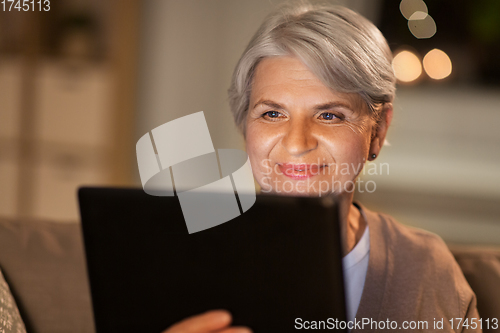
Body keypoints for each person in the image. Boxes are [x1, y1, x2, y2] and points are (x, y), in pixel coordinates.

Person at [163, 2, 481, 332]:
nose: (298, 143)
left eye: (330, 115)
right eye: (272, 114)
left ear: (378, 131)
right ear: (245, 125)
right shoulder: (177, 263)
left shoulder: (427, 269)